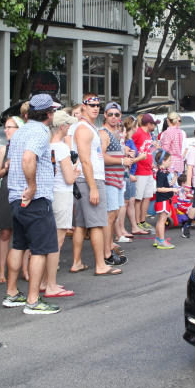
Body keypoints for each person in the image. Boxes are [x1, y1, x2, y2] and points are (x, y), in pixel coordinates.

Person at [1, 93, 64, 315]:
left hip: (16, 198)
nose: (54, 114)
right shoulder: (39, 131)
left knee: (19, 245)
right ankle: (33, 299)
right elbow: (29, 158)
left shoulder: (22, 130)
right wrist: (33, 185)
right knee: (40, 249)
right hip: (34, 199)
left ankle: (11, 293)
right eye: (53, 111)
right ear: (48, 113)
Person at [68, 94, 120, 276]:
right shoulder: (83, 128)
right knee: (97, 223)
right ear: (83, 106)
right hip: (89, 179)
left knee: (81, 224)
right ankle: (100, 265)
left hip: (89, 178)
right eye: (91, 105)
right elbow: (84, 160)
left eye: (98, 105)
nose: (96, 108)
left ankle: (77, 262)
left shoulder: (89, 126)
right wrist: (94, 187)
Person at [47, 111, 78, 297]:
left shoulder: (47, 145)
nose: (69, 128)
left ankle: (45, 281)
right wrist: (75, 172)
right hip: (62, 194)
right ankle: (51, 284)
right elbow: (68, 178)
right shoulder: (62, 148)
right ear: (62, 126)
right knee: (56, 242)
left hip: (51, 193)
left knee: (50, 240)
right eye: (67, 125)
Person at [0, 116, 19, 285]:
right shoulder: (4, 149)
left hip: (21, 191)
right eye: (6, 127)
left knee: (22, 233)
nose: (6, 130)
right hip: (6, 191)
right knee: (5, 233)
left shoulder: (24, 148)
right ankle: (2, 270)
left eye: (10, 127)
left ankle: (23, 269)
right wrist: (5, 168)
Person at [99, 103, 130, 250]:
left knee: (114, 215)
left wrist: (127, 154)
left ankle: (109, 245)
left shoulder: (116, 133)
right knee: (110, 216)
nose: (113, 117)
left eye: (116, 114)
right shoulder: (104, 133)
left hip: (118, 179)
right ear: (105, 115)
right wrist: (122, 160)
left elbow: (115, 154)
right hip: (109, 179)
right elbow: (101, 156)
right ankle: (106, 249)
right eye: (110, 114)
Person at [128, 113, 157, 233]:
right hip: (140, 170)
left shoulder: (148, 134)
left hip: (148, 169)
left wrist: (152, 151)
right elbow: (130, 146)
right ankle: (136, 223)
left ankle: (142, 220)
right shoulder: (138, 133)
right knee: (138, 198)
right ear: (149, 124)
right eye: (154, 124)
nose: (155, 126)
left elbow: (146, 150)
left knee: (147, 196)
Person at [151, 150, 179, 248]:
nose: (170, 162)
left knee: (160, 220)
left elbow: (168, 184)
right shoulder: (161, 173)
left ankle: (158, 239)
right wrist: (172, 189)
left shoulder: (164, 172)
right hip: (163, 200)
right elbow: (159, 188)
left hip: (164, 199)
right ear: (163, 161)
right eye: (169, 160)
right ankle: (162, 241)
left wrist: (175, 177)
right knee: (162, 220)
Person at [158, 112, 185, 178]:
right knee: (178, 184)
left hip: (170, 162)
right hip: (179, 161)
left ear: (168, 120)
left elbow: (165, 149)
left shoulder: (167, 132)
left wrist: (158, 147)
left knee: (170, 185)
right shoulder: (180, 132)